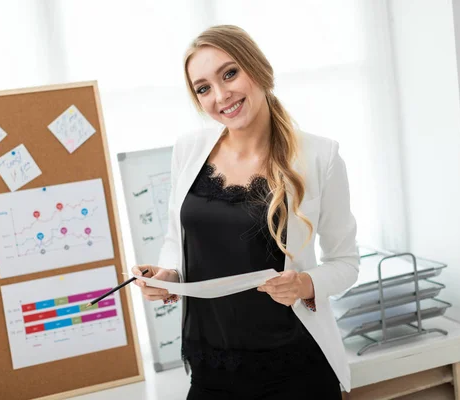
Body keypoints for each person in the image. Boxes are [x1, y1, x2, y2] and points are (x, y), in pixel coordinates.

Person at [132, 24, 358, 399]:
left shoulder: (321, 156)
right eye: (203, 88)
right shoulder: (188, 150)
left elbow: (346, 262)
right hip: (211, 367)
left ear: (258, 68)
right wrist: (167, 276)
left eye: (230, 73)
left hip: (295, 369)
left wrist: (305, 284)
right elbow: (178, 238)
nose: (221, 95)